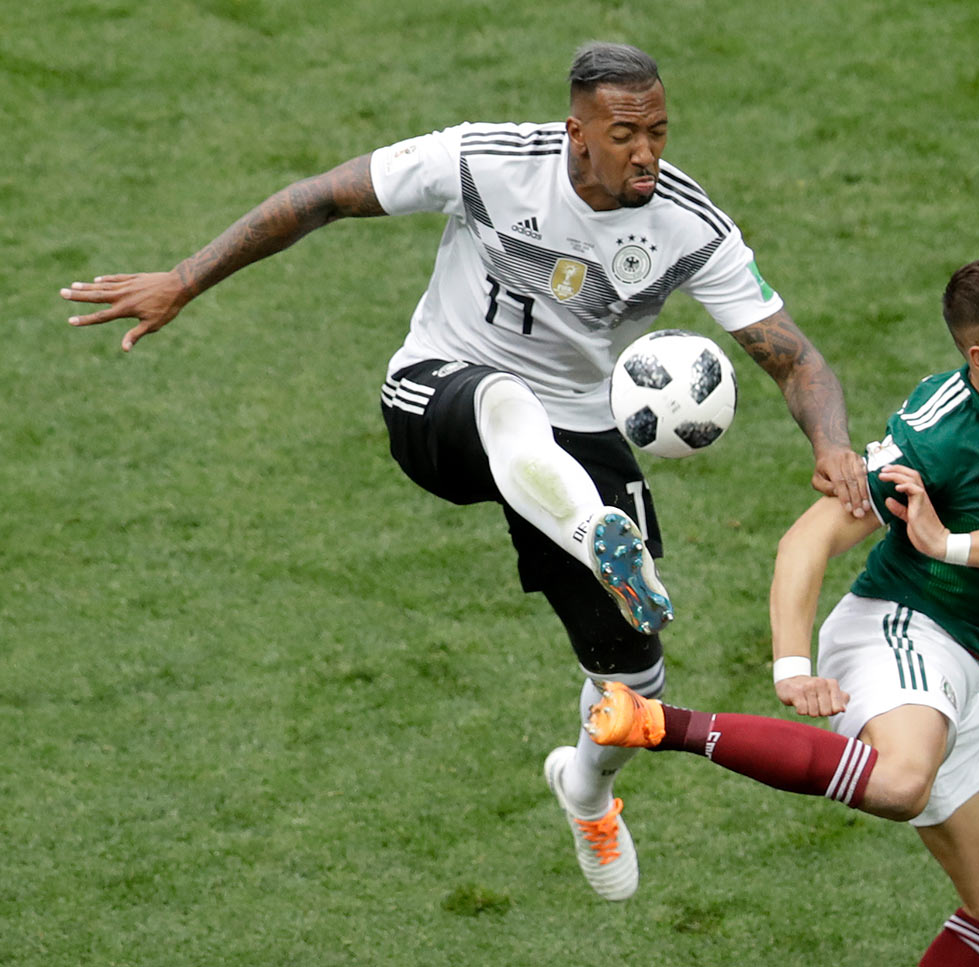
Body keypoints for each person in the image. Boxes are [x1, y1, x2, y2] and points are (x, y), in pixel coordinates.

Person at [58, 42, 871, 903]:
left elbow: (796, 358)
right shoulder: (484, 161)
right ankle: (596, 530)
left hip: (579, 420)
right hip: (437, 394)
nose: (647, 153)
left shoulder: (687, 225)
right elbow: (317, 199)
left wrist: (832, 444)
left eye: (659, 132)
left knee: (635, 684)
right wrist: (184, 280)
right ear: (577, 133)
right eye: (626, 133)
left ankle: (585, 788)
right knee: (502, 401)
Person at [586, 258, 979, 963]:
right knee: (900, 782)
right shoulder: (935, 435)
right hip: (897, 631)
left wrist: (949, 542)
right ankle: (657, 722)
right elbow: (807, 538)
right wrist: (790, 666)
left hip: (958, 662)